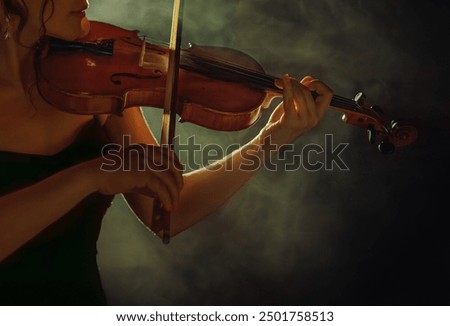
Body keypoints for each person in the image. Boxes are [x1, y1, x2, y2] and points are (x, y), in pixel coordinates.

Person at [0, 0, 333, 305]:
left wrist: (271, 139)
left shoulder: (91, 76)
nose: (85, 0)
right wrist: (92, 176)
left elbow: (169, 210)